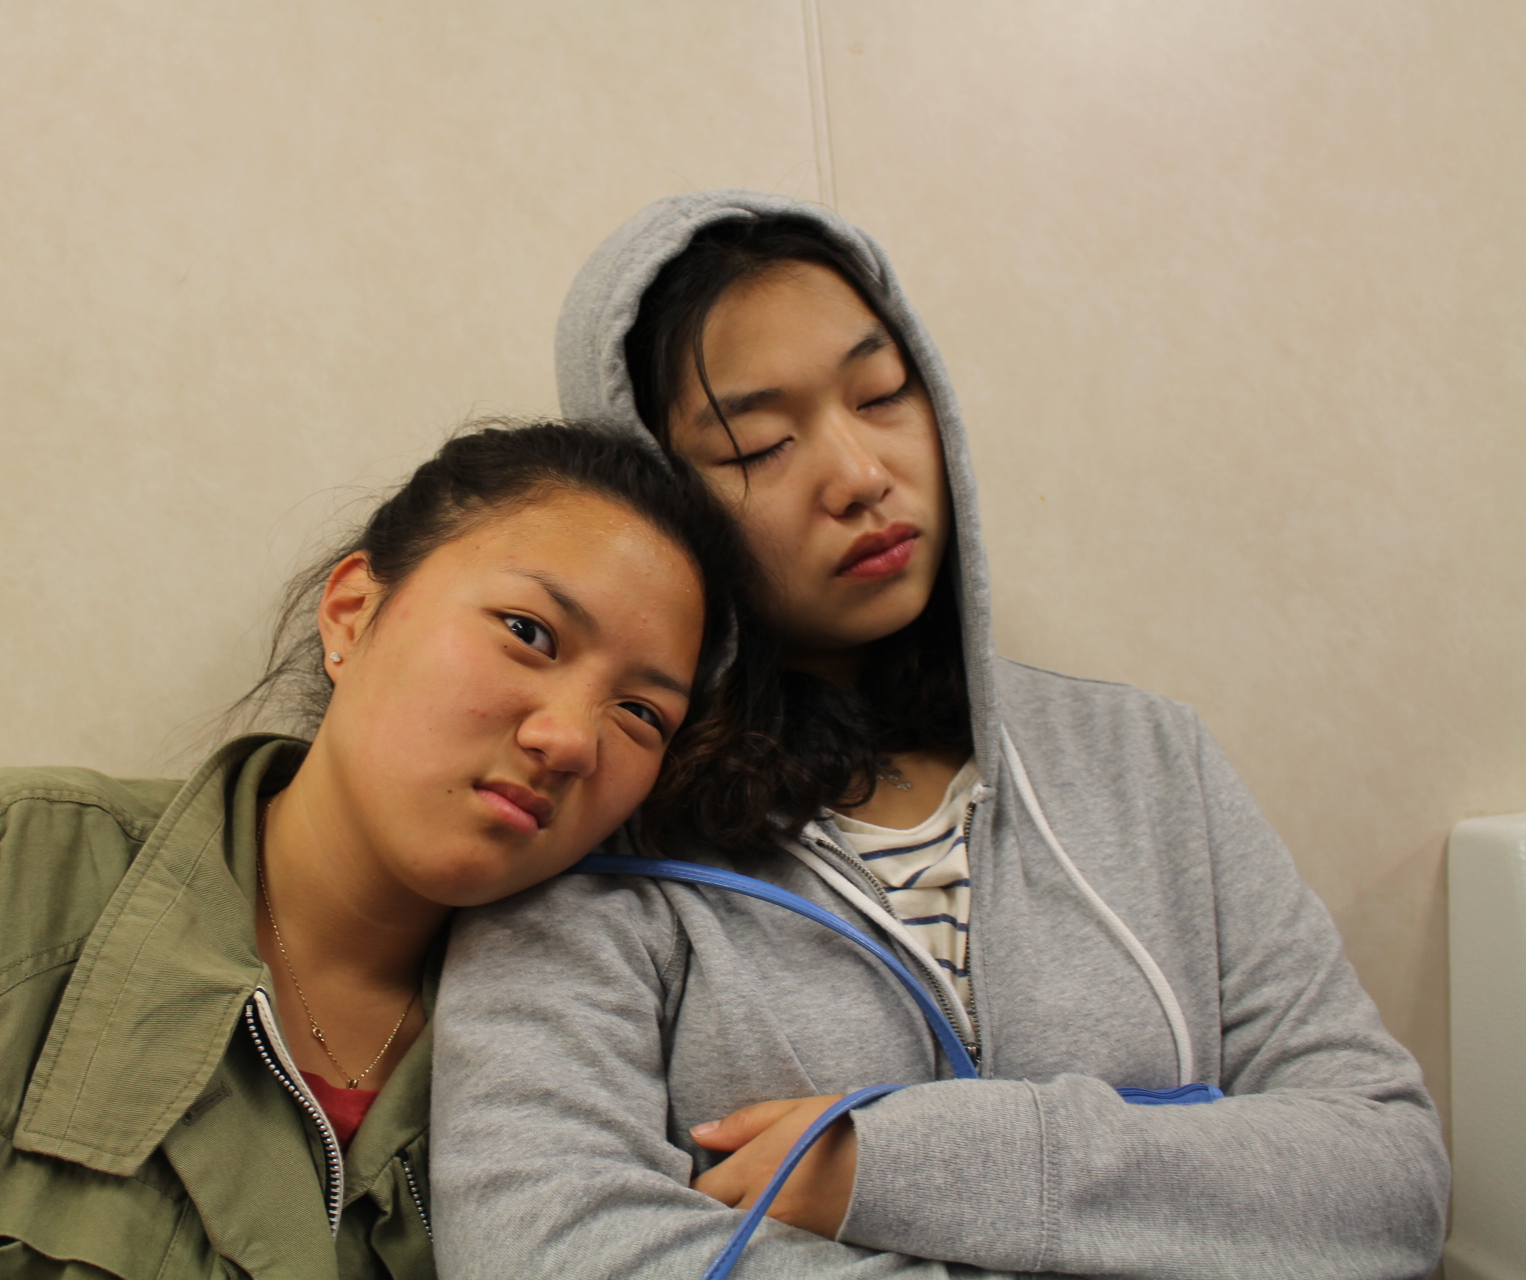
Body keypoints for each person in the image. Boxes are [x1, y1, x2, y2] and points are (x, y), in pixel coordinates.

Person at [430, 192, 1449, 1278]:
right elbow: (534, 1241)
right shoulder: (599, 817)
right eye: (758, 444)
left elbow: (1388, 1180)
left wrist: (908, 1162)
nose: (860, 474)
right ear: (660, 494)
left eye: (882, 394)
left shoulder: (1150, 761)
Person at [0, 420, 756, 1280]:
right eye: (528, 631)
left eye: (640, 712)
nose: (568, 737)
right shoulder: (8, 873)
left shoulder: (599, 1046)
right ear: (353, 611)